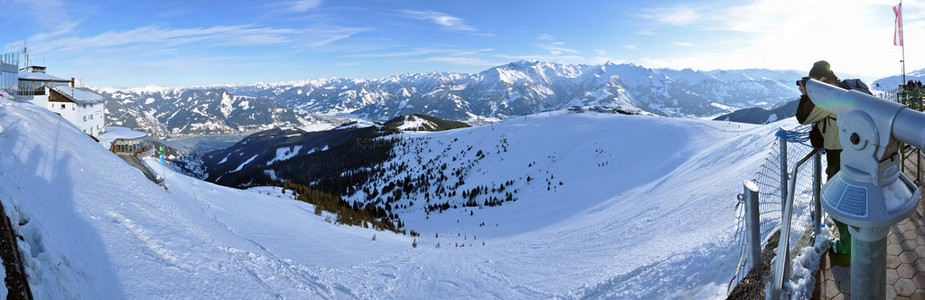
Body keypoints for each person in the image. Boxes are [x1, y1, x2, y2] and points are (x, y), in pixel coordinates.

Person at [795, 60, 853, 263]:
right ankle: (854, 242)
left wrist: (805, 94)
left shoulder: (830, 95)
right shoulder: (842, 87)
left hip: (839, 154)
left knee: (838, 200)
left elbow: (803, 117)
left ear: (818, 79)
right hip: (851, 151)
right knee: (847, 198)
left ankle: (848, 248)